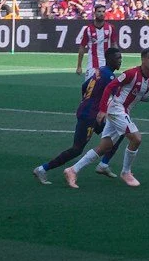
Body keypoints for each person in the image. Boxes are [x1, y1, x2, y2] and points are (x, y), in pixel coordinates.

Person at [71, 49, 149, 188]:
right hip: (116, 108)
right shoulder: (131, 73)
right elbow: (109, 87)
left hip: (122, 111)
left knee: (105, 147)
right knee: (136, 138)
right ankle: (126, 172)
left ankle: (73, 170)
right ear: (143, 60)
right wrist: (102, 110)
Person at [34, 53, 116, 188]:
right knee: (77, 149)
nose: (120, 60)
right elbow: (118, 94)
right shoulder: (110, 76)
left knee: (117, 132)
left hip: (89, 112)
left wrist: (86, 101)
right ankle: (42, 169)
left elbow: (84, 86)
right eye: (118, 58)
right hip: (90, 116)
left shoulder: (100, 71)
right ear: (110, 59)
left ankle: (104, 164)